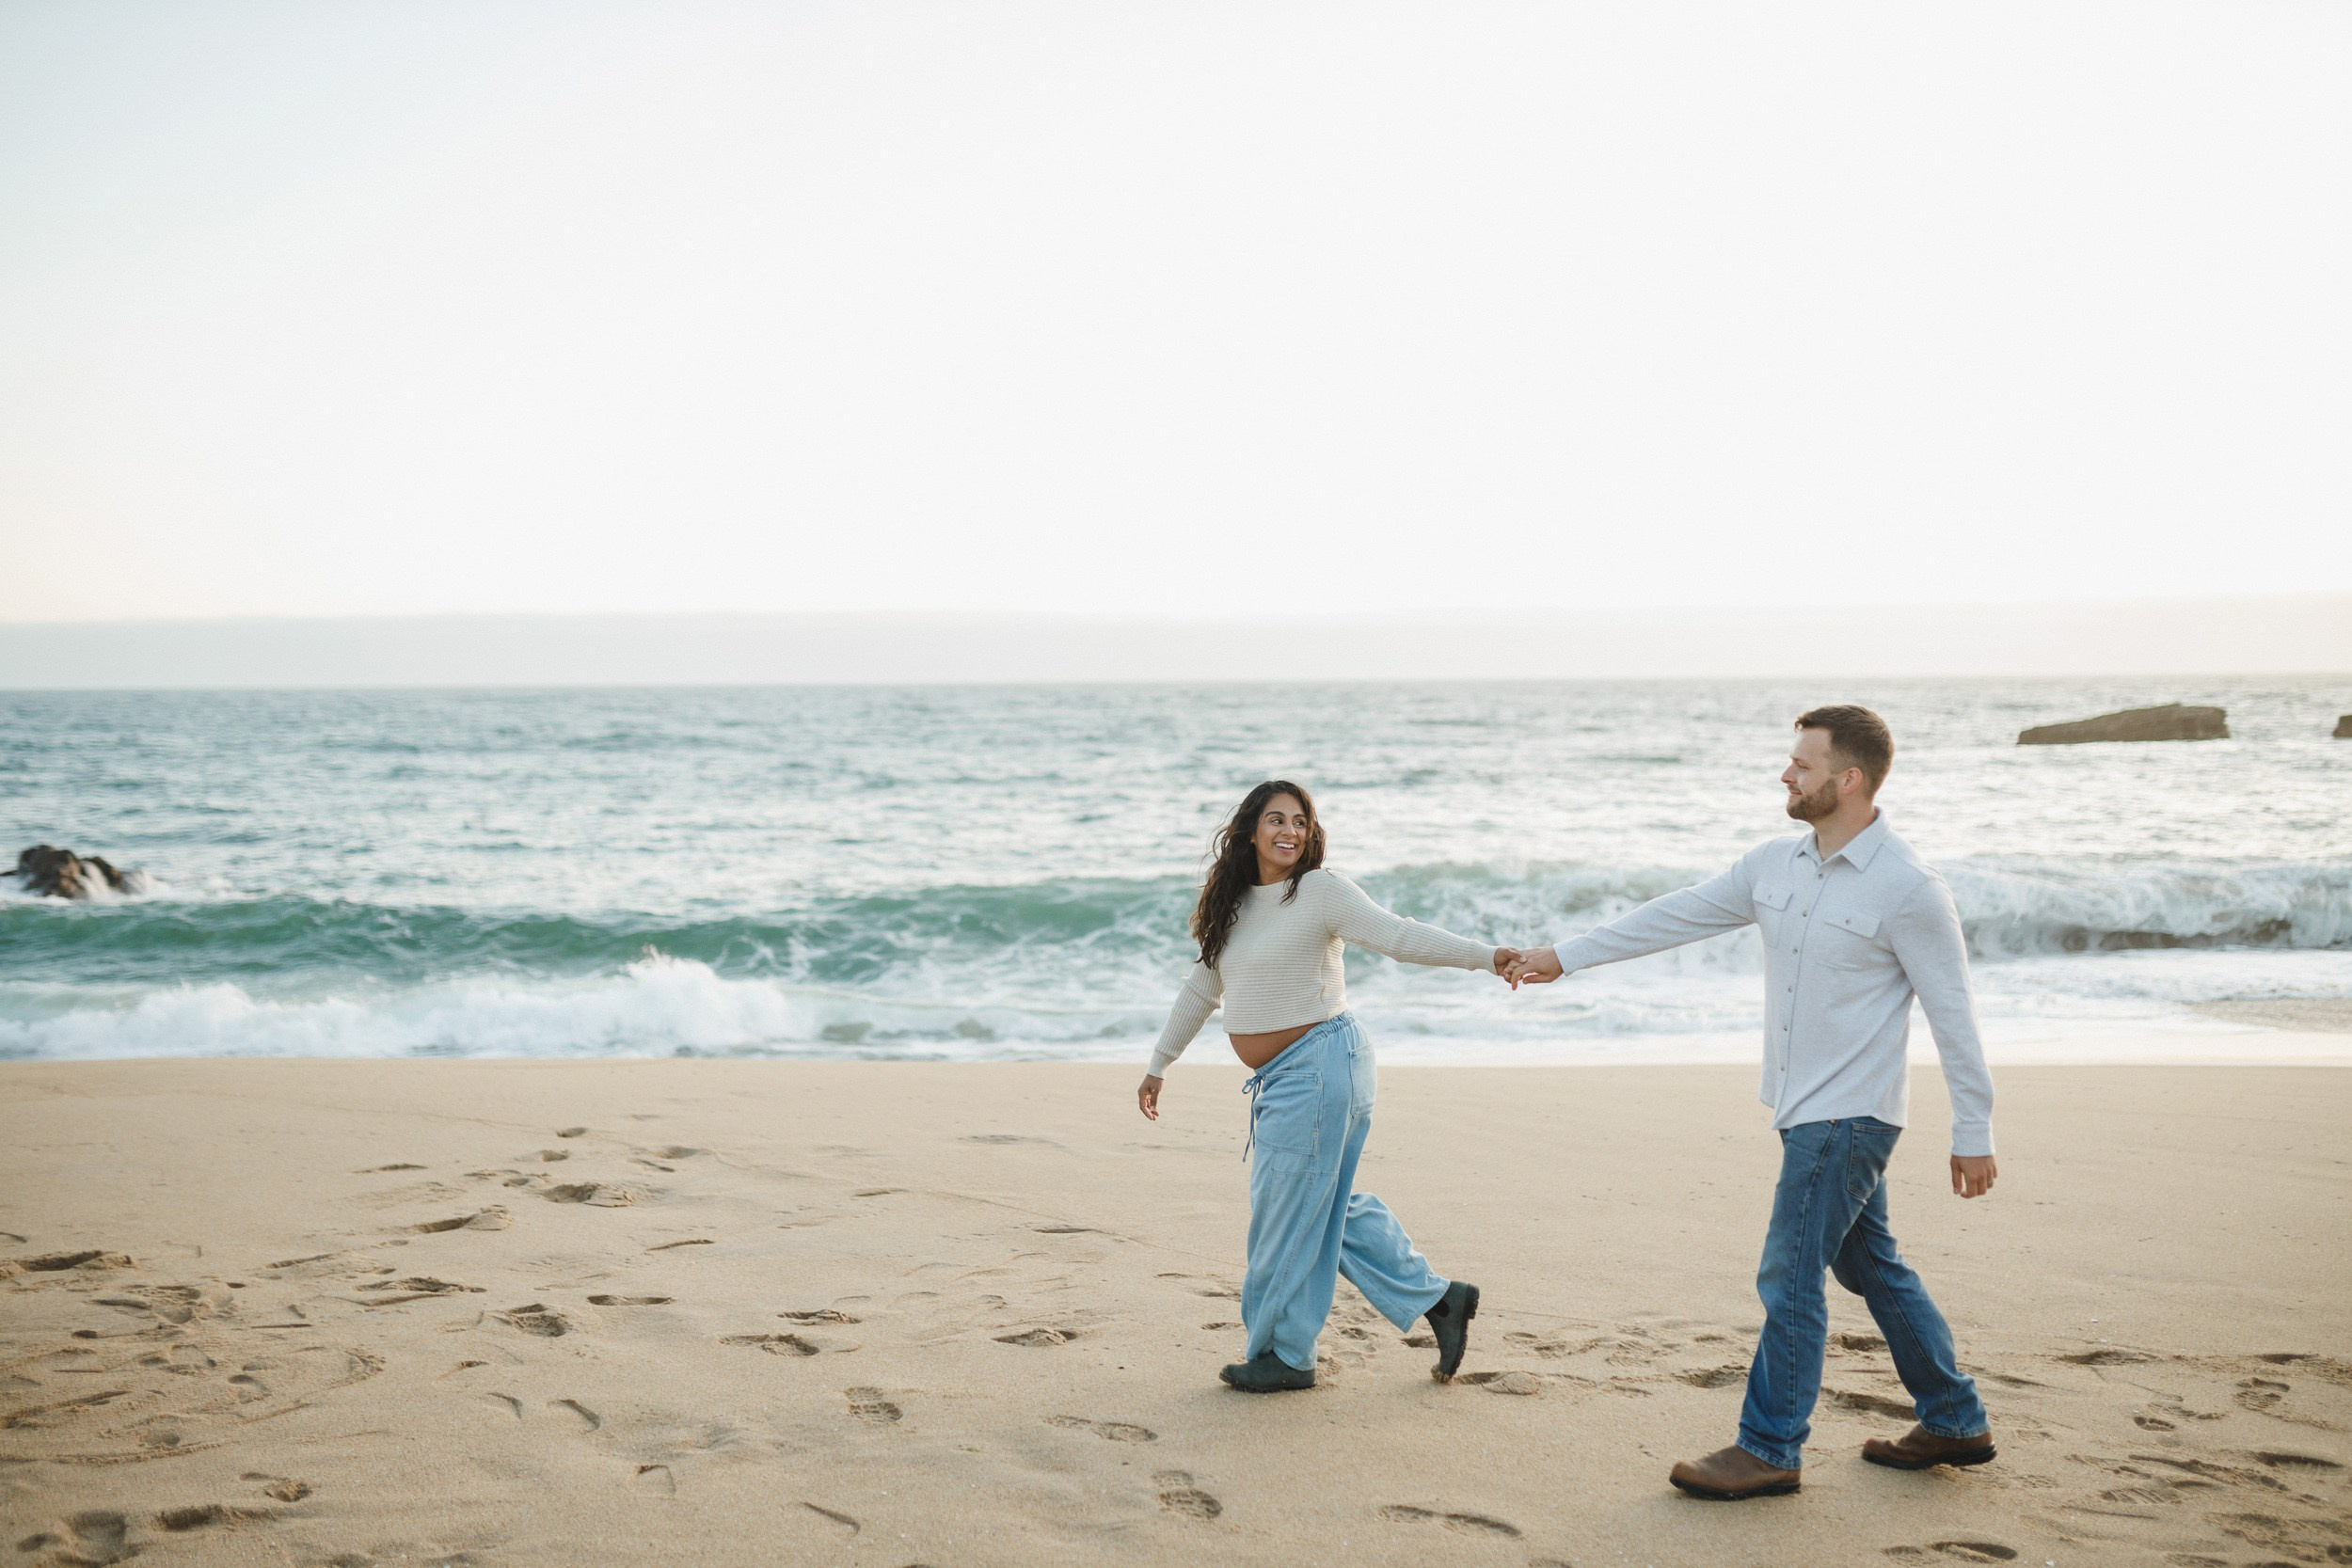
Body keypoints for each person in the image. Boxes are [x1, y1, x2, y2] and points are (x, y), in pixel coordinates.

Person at [1506, 705, 1998, 1499]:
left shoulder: (1910, 888)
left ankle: (1770, 1445)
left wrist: (1973, 1128)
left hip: (1851, 1114)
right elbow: (1674, 913)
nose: (1785, 774)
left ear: (1850, 779)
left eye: (1803, 764)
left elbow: (1955, 1016)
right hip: (1801, 1107)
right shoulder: (1775, 863)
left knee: (1789, 1273)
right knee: (1868, 1261)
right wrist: (1563, 957)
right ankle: (1953, 1414)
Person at [1138, 779, 1521, 1392]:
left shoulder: (1318, 891)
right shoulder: (1232, 906)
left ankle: (1286, 1354)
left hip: (1321, 1065)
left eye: (1301, 821)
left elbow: (1396, 934)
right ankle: (1441, 1299)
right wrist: (1160, 1062)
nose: (1290, 830)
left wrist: (1485, 955)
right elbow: (1202, 989)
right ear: (1251, 830)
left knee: (1283, 1214)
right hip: (1295, 1076)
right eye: (1276, 819)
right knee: (1317, 1206)